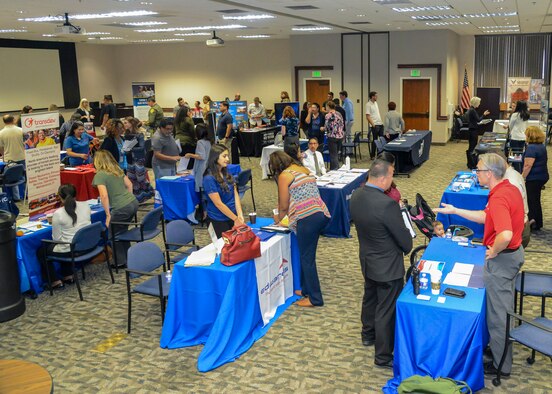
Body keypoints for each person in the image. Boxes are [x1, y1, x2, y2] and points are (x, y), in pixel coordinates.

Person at [434, 153, 524, 377]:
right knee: (498, 308)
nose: (476, 173)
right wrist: (455, 211)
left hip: (503, 260)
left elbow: (504, 233)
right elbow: (487, 218)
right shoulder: (508, 188)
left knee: (498, 314)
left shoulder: (499, 197)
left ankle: (501, 365)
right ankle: (496, 348)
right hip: (512, 255)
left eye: (479, 170)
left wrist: (494, 249)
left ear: (490, 174)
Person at [350, 158, 413, 369]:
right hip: (388, 266)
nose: (392, 180)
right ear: (384, 178)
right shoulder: (387, 204)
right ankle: (383, 355)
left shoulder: (356, 195)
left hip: (367, 259)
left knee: (370, 299)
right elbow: (405, 242)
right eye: (392, 175)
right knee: (386, 310)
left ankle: (367, 334)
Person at [268, 150, 330, 307]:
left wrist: (278, 218)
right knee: (307, 255)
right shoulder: (303, 170)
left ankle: (315, 298)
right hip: (320, 213)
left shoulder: (284, 176)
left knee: (307, 259)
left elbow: (283, 205)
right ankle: (305, 290)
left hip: (307, 218)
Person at [36, 184, 91, 290]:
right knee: (65, 243)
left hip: (71, 248)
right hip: (86, 245)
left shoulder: (58, 214)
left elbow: (56, 239)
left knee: (42, 251)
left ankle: (54, 281)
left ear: (60, 198)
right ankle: (68, 275)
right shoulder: (85, 205)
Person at [93, 150, 139, 268]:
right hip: (133, 202)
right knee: (122, 231)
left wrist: (108, 215)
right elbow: (129, 185)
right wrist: (128, 199)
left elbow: (103, 195)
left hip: (120, 207)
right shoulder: (117, 169)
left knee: (113, 235)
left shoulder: (100, 175)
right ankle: (129, 257)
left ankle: (120, 262)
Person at [202, 144, 244, 237]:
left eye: (228, 156)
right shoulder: (209, 178)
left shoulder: (226, 171)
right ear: (215, 157)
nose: (228, 159)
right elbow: (218, 204)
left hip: (232, 215)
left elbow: (235, 193)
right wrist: (236, 219)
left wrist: (239, 214)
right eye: (224, 156)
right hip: (218, 220)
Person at [522, 126, 548, 231]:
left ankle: (533, 221)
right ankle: (538, 221)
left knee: (531, 200)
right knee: (535, 199)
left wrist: (522, 177)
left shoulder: (531, 148)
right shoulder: (541, 146)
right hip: (541, 176)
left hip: (534, 178)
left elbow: (528, 165)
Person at [0, 114, 26, 200]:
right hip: (22, 156)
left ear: (4, 122)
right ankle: (25, 195)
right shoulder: (21, 130)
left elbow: (1, 148)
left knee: (12, 178)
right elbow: (26, 144)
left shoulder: (1, 133)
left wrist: (4, 156)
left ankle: (16, 197)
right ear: (14, 120)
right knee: (23, 176)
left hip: (9, 158)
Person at [184, 123, 212, 192]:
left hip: (201, 167)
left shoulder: (200, 142)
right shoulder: (209, 141)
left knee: (200, 185)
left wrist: (190, 155)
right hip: (208, 166)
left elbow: (201, 156)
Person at [466, 96, 490, 169]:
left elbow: (474, 120)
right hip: (473, 131)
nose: (479, 104)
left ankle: (470, 163)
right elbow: (478, 120)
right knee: (472, 148)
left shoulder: (471, 109)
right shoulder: (472, 110)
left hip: (472, 129)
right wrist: (484, 115)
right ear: (476, 103)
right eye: (479, 102)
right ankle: (472, 164)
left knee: (471, 147)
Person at [325, 101, 345, 171]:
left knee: (333, 155)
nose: (325, 108)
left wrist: (323, 129)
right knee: (336, 154)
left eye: (326, 106)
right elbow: (342, 124)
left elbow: (327, 126)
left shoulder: (328, 115)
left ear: (328, 106)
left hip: (332, 136)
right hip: (340, 136)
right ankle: (333, 169)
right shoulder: (339, 114)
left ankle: (335, 170)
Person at [365, 91, 383, 159]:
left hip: (380, 124)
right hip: (375, 125)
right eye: (376, 96)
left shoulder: (376, 103)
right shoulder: (368, 104)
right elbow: (367, 116)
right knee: (375, 140)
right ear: (372, 97)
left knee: (381, 140)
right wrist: (373, 125)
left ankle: (380, 154)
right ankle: (372, 155)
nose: (377, 97)